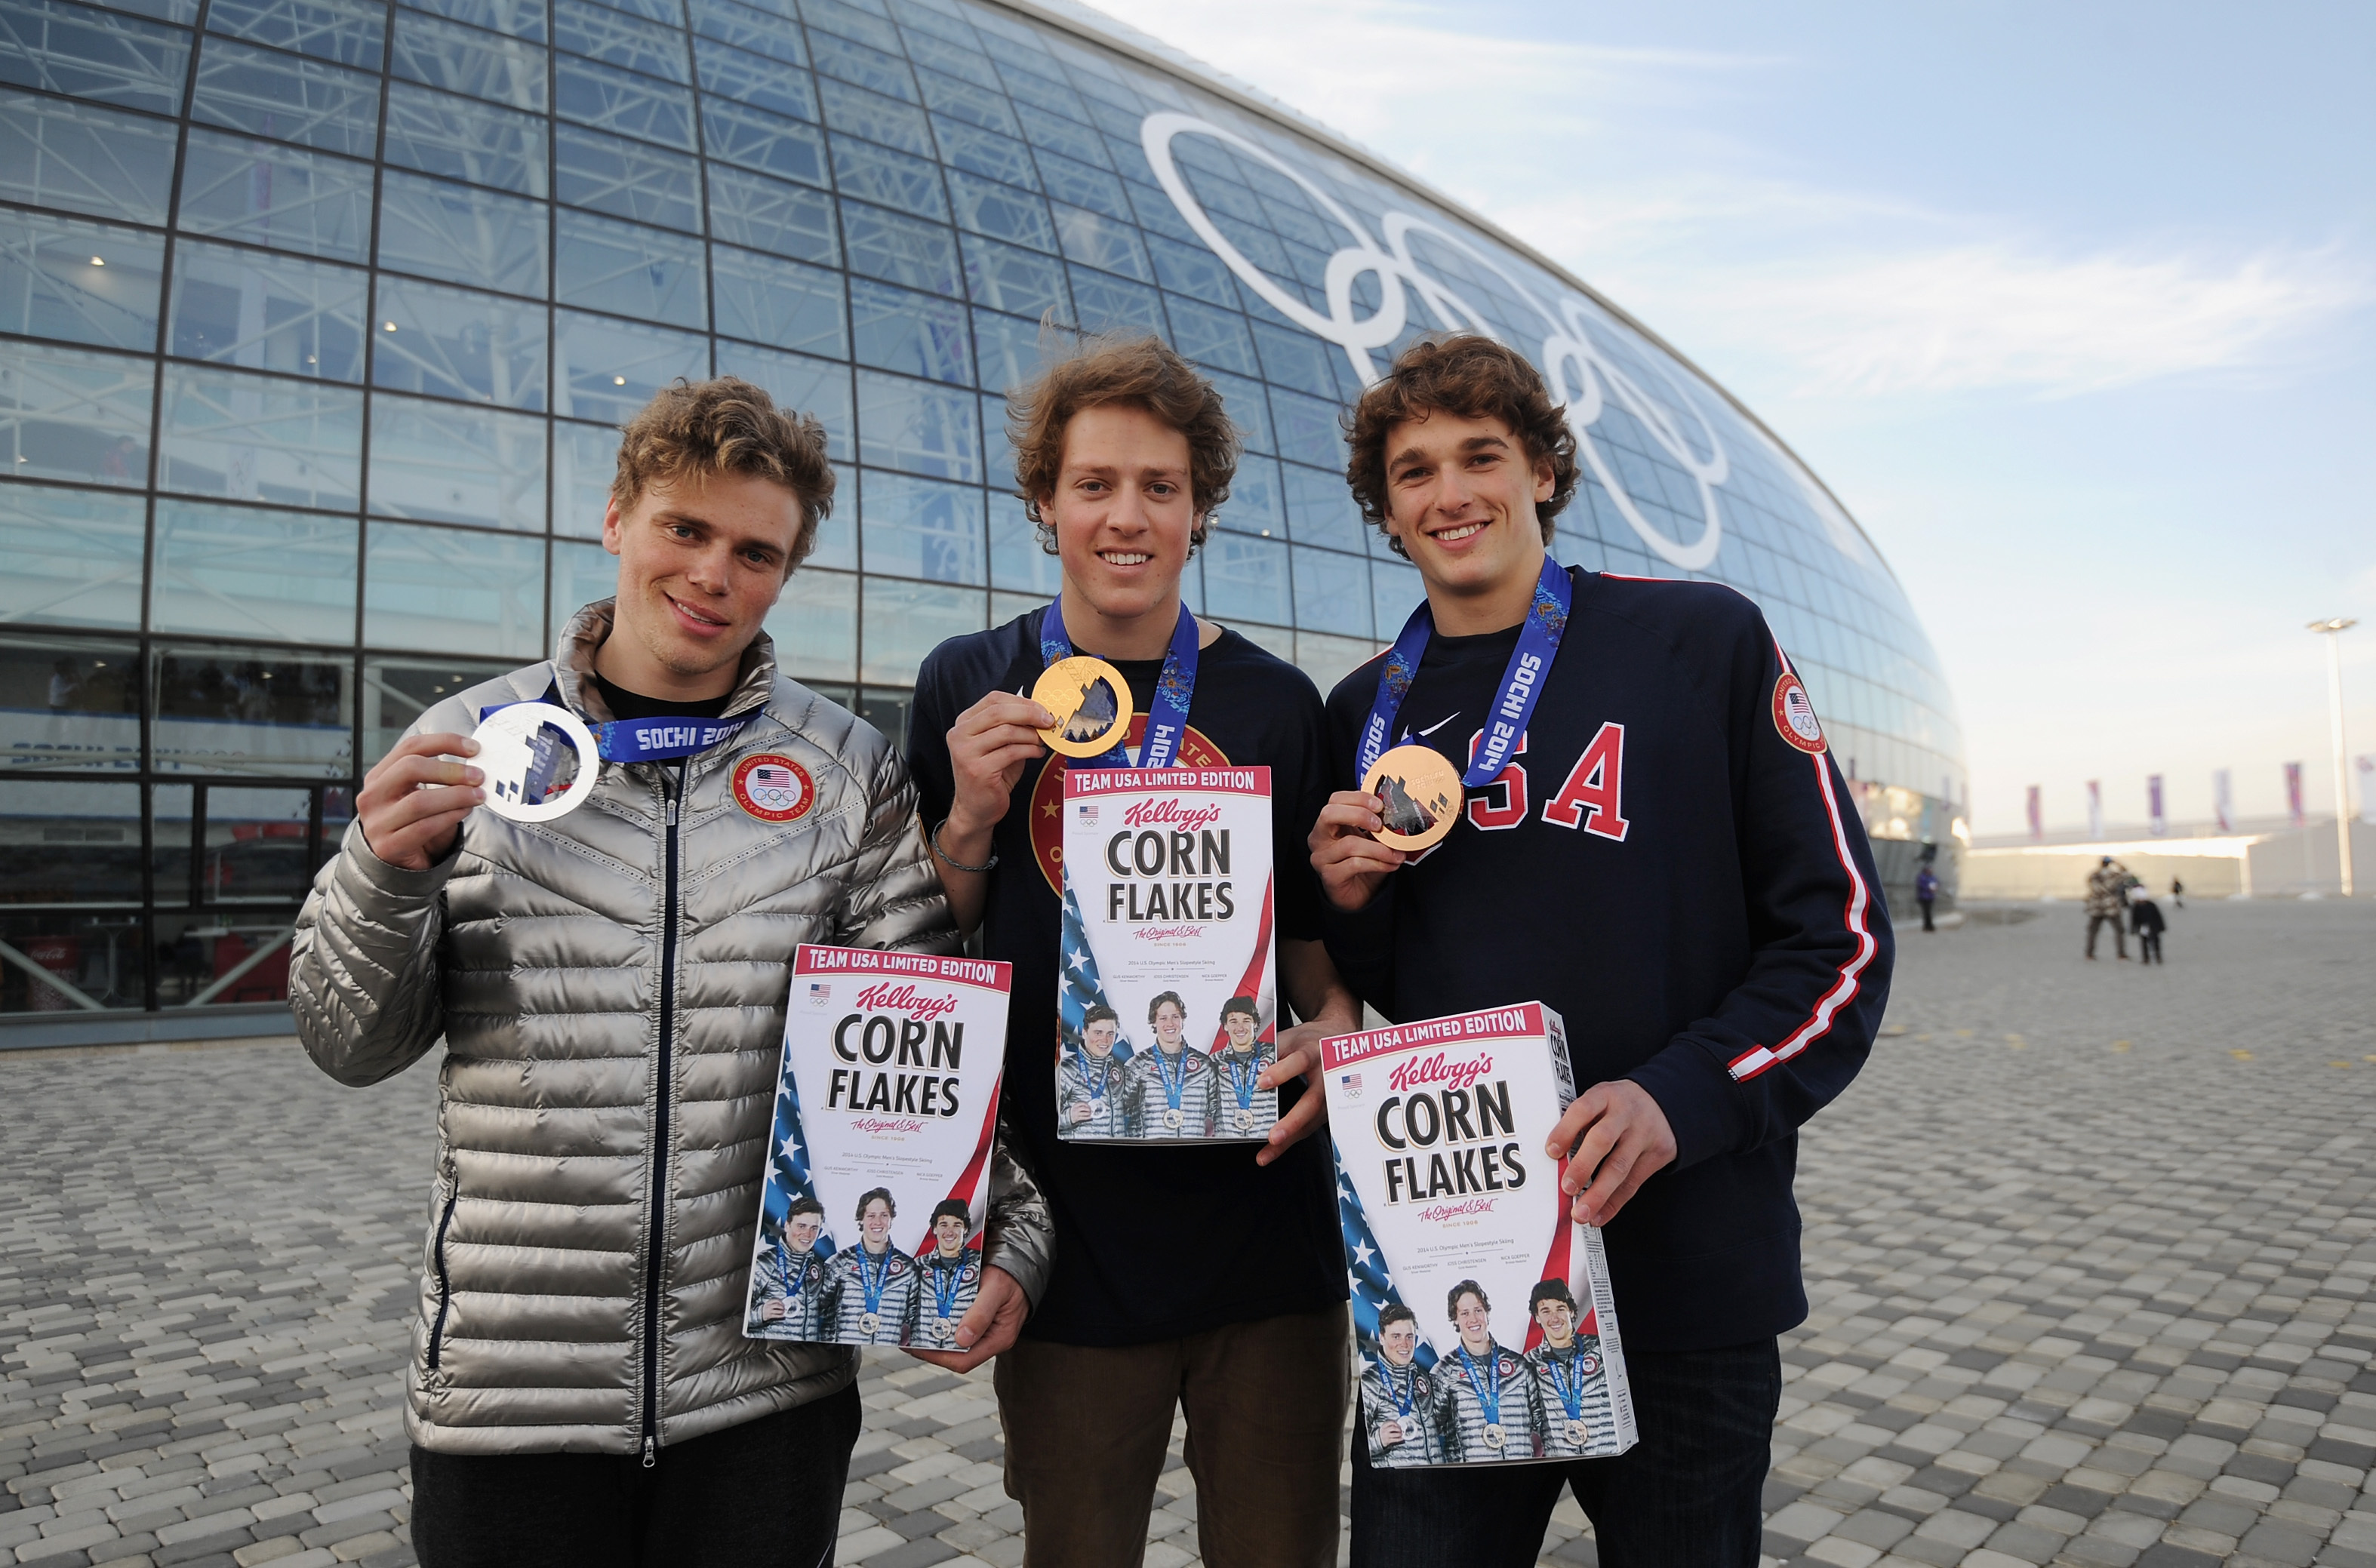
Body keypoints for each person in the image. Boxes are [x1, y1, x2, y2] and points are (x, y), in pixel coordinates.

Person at [286, 377, 1054, 1568]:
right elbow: (350, 1044)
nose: (712, 575)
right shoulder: (470, 742)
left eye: (756, 551)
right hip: (514, 1389)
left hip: (767, 1392)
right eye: (685, 530)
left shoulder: (846, 770)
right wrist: (381, 874)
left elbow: (915, 1033)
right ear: (616, 520)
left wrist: (1012, 1228)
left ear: (786, 573)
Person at [1308, 336, 1893, 1565]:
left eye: (1481, 454)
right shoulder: (1361, 708)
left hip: (1682, 1281)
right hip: (1454, 1283)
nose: (1449, 490)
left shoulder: (1699, 643)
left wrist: (1678, 1097)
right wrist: (1348, 899)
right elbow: (1382, 987)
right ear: (1384, 508)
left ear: (1543, 472)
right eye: (1413, 471)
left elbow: (1835, 938)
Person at [906, 334, 1362, 1568]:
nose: (1125, 516)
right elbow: (930, 945)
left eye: (1158, 486)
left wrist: (1335, 1028)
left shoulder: (1275, 702)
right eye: (1094, 483)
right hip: (1066, 1234)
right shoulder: (969, 680)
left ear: (1198, 508)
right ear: (1043, 500)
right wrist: (963, 820)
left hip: (1262, 1228)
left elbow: (1317, 961)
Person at [1436, 1282, 1542, 1462]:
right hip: (1472, 1479)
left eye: (1478, 1310)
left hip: (1522, 1473)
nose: (1473, 1319)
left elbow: (1543, 1423)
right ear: (1455, 1319)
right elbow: (1431, 1432)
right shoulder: (1444, 1372)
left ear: (1487, 1312)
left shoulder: (1519, 1366)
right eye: (1465, 1313)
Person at [1524, 1281, 1611, 1460]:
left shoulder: (1600, 1350)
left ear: (1571, 1311)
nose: (1554, 1318)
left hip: (1607, 1454)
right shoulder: (1529, 1362)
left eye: (1560, 1308)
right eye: (1546, 1311)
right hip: (1559, 1459)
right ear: (1537, 1317)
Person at [1127, 987, 1223, 1139]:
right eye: (1163, 1018)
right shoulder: (1138, 1064)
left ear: (1182, 1019)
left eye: (1175, 1017)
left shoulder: (1204, 1065)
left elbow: (1218, 1113)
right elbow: (1120, 1110)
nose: (1170, 1023)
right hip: (1149, 1152)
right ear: (1154, 1022)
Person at [828, 1188, 920, 1345]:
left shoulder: (908, 1268)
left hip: (888, 1355)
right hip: (844, 1352)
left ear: (891, 1219)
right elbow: (821, 1313)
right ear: (861, 1219)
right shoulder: (838, 1263)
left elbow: (916, 1320)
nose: (878, 1222)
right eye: (871, 1216)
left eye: (884, 1215)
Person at [1361, 1305, 1445, 1468]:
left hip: (1436, 1478)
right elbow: (1353, 1445)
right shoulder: (1369, 1382)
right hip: (1397, 1484)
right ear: (1382, 1338)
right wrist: (1379, 1440)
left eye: (1409, 1337)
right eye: (1396, 1337)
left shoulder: (1423, 1378)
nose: (1405, 1344)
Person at [747, 1195, 831, 1339]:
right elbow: (731, 1314)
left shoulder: (818, 1267)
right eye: (802, 1226)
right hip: (771, 1352)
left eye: (814, 1228)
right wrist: (760, 1314)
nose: (808, 1234)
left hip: (807, 1353)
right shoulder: (764, 1264)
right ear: (787, 1225)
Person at [915, 1199, 984, 1349]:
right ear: (934, 1229)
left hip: (964, 1347)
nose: (950, 1232)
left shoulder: (980, 1264)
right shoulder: (918, 1265)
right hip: (922, 1346)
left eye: (957, 1225)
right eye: (944, 1225)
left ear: (966, 1229)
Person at [1057, 1003, 1131, 1137]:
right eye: (1098, 1033)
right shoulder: (1066, 1070)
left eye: (1110, 1034)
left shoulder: (1119, 1071)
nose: (1105, 1040)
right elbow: (1040, 1117)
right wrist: (1069, 1117)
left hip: (1120, 1150)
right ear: (1084, 1033)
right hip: (1083, 1153)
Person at [1208, 995, 1276, 1136]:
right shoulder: (1213, 1062)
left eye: (1246, 1020)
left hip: (1268, 1141)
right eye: (1233, 1021)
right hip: (1225, 1145)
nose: (1240, 1027)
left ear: (1256, 1024)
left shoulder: (1274, 1055)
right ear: (1225, 1026)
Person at [2085, 855, 2131, 960]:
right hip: (2111, 905)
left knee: (2093, 930)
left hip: (2097, 906)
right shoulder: (2114, 875)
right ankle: (2121, 953)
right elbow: (2127, 875)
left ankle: (2089, 953)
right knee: (2119, 930)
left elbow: (2091, 886)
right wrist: (2119, 864)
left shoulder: (2094, 875)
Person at [2131, 888, 2167, 965]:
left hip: (2154, 927)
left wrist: (2161, 927)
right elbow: (2134, 919)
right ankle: (2146, 958)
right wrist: (2134, 928)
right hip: (2143, 927)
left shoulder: (2151, 905)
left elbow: (2158, 917)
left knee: (2155, 942)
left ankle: (2158, 956)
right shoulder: (2136, 907)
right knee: (2144, 943)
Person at [1914, 862, 1940, 933]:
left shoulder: (1933, 877)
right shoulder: (1922, 877)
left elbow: (1937, 883)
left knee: (1929, 912)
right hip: (1924, 897)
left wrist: (1935, 888)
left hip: (1930, 897)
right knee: (1926, 912)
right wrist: (1929, 888)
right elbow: (1921, 886)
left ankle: (1929, 925)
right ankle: (1928, 925)